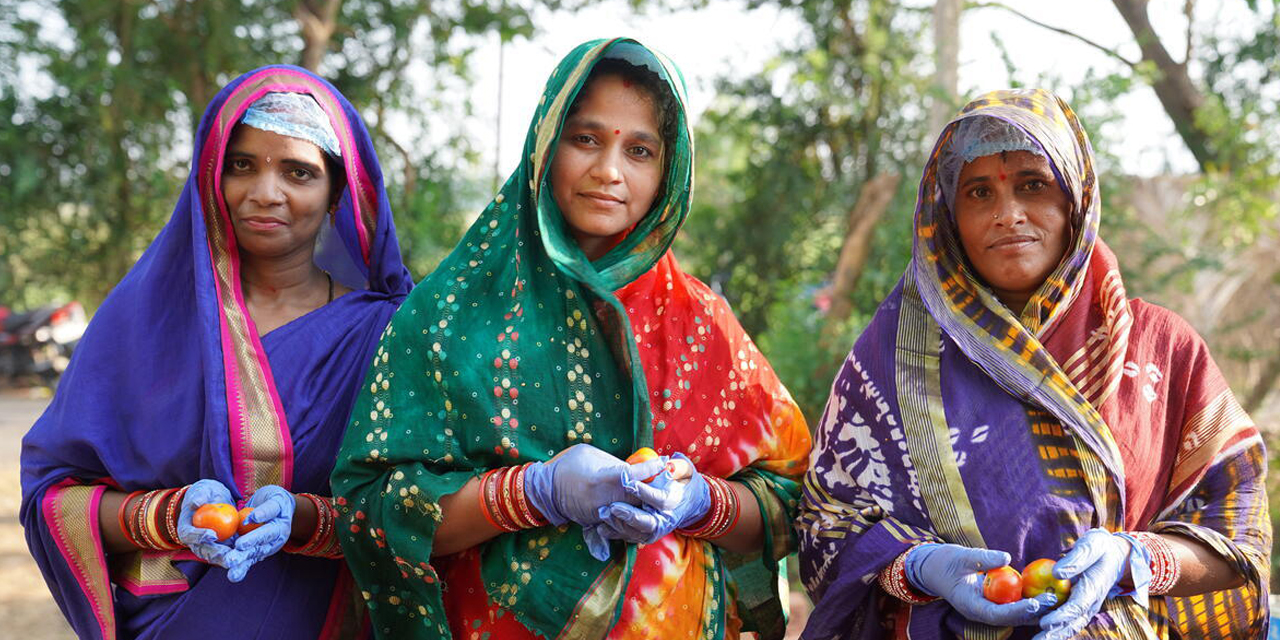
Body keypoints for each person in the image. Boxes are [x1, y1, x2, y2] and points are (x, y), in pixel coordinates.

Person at [331, 38, 812, 640]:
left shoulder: (703, 322)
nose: (609, 170)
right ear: (545, 142)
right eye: (586, 139)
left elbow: (795, 500)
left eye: (639, 150)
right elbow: (372, 507)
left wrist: (698, 503)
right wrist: (534, 492)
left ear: (670, 171)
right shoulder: (450, 311)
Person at [797, 89, 1270, 640]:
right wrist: (917, 568)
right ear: (948, 218)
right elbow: (824, 527)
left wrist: (1134, 557)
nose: (1008, 214)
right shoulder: (892, 358)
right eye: (979, 192)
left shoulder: (1163, 350)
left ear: (1075, 199)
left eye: (1032, 185)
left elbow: (1238, 536)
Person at [20, 65, 412, 639]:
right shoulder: (142, 322)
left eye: (299, 171)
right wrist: (163, 517)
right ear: (209, 175)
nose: (265, 192)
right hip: (172, 621)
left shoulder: (386, 334)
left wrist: (307, 521)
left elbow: (415, 509)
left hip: (321, 620)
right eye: (241, 164)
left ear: (336, 194)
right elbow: (54, 495)